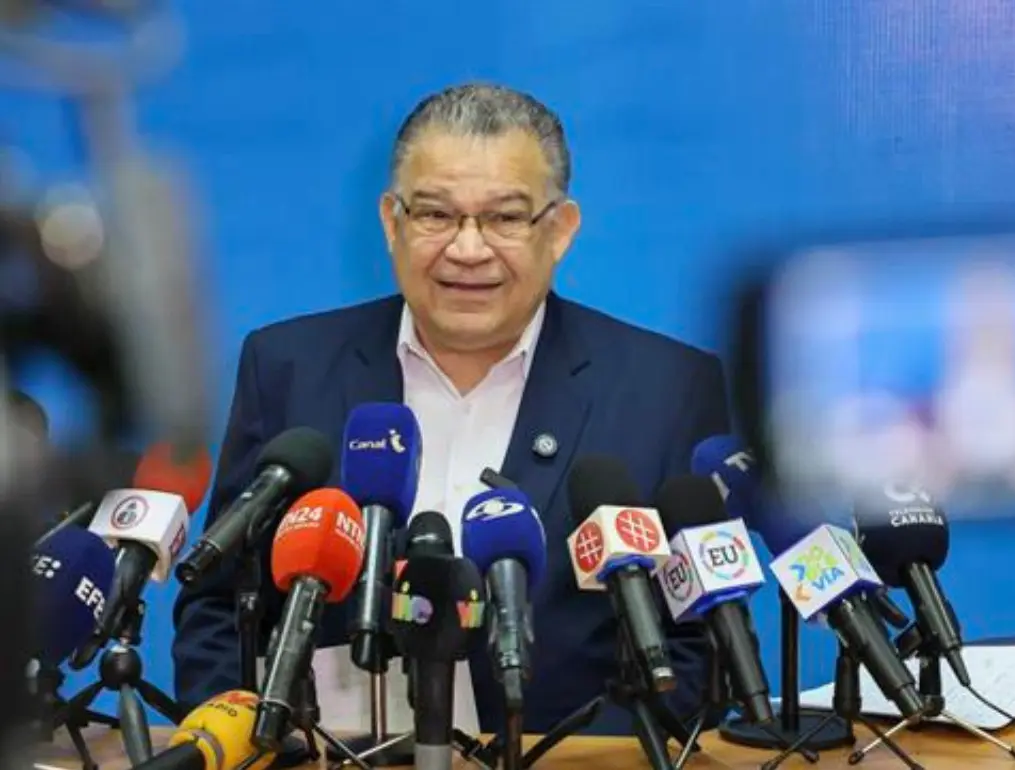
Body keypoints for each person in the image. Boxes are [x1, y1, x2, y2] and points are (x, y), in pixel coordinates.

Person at [171, 83, 730, 735]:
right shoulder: (288, 366)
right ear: (391, 221)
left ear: (560, 230)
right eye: (436, 214)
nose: (468, 250)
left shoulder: (667, 387)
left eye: (505, 218)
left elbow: (699, 645)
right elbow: (218, 609)